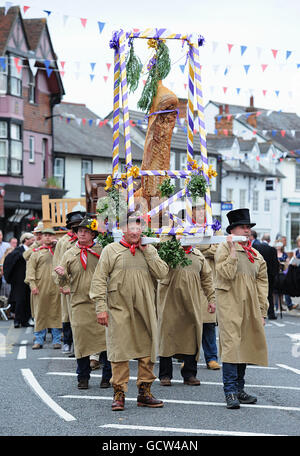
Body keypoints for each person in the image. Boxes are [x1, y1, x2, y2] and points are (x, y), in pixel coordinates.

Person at [90, 212, 169, 411]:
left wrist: (149, 252)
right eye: (131, 227)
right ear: (123, 229)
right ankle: (119, 393)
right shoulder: (111, 250)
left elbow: (163, 273)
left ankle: (144, 392)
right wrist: (101, 308)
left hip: (146, 309)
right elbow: (99, 279)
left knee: (147, 352)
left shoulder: (149, 250)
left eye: (138, 227)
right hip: (118, 309)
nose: (135, 231)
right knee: (119, 352)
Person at [215, 208, 269, 409]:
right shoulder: (223, 248)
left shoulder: (255, 255)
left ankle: (239, 389)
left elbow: (262, 285)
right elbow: (226, 274)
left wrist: (262, 311)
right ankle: (229, 391)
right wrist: (231, 251)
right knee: (231, 346)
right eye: (242, 227)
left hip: (250, 306)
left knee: (245, 345)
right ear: (233, 230)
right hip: (229, 304)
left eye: (248, 227)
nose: (247, 231)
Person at [54, 217, 111, 390]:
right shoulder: (69, 253)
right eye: (79, 231)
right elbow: (61, 281)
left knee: (106, 341)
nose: (82, 234)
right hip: (78, 303)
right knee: (81, 342)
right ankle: (83, 377)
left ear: (93, 234)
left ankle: (107, 377)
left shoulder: (102, 250)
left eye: (86, 231)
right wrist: (62, 275)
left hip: (100, 302)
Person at [158, 238, 216, 386]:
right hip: (169, 302)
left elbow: (207, 279)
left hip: (192, 302)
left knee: (192, 336)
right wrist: (171, 245)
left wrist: (211, 299)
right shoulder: (168, 252)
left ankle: (189, 374)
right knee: (167, 335)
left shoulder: (198, 255)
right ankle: (165, 375)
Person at [52, 210, 85, 355]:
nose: (78, 228)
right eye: (75, 225)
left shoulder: (87, 240)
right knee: (68, 314)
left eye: (80, 225)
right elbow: (57, 264)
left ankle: (83, 346)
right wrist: (62, 284)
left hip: (84, 282)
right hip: (69, 283)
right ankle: (68, 342)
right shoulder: (63, 242)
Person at [192, 206, 221, 371]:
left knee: (209, 324)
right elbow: (188, 248)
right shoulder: (187, 228)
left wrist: (199, 246)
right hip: (193, 278)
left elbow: (218, 250)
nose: (201, 213)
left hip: (209, 280)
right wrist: (207, 246)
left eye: (203, 210)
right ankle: (189, 356)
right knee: (191, 323)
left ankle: (211, 357)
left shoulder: (215, 228)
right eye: (197, 210)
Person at [25, 228, 62, 349]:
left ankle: (57, 340)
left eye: (50, 235)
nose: (48, 237)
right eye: (45, 235)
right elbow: (30, 271)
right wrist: (33, 285)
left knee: (56, 312)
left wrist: (58, 244)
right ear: (42, 237)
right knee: (40, 313)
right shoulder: (36, 252)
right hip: (40, 288)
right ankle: (39, 340)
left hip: (56, 287)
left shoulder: (58, 250)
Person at [3, 233, 35, 328]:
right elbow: (9, 262)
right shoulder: (18, 251)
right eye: (31, 239)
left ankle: (25, 320)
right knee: (19, 300)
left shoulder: (32, 250)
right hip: (19, 281)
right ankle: (17, 321)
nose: (33, 241)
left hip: (29, 279)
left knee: (28, 300)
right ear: (25, 240)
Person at [253, 233, 279, 320]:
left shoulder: (256, 247)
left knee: (257, 293)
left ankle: (257, 313)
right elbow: (276, 265)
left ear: (262, 239)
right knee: (269, 295)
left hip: (257, 274)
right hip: (269, 276)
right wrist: (274, 275)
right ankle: (271, 313)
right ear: (269, 240)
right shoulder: (272, 250)